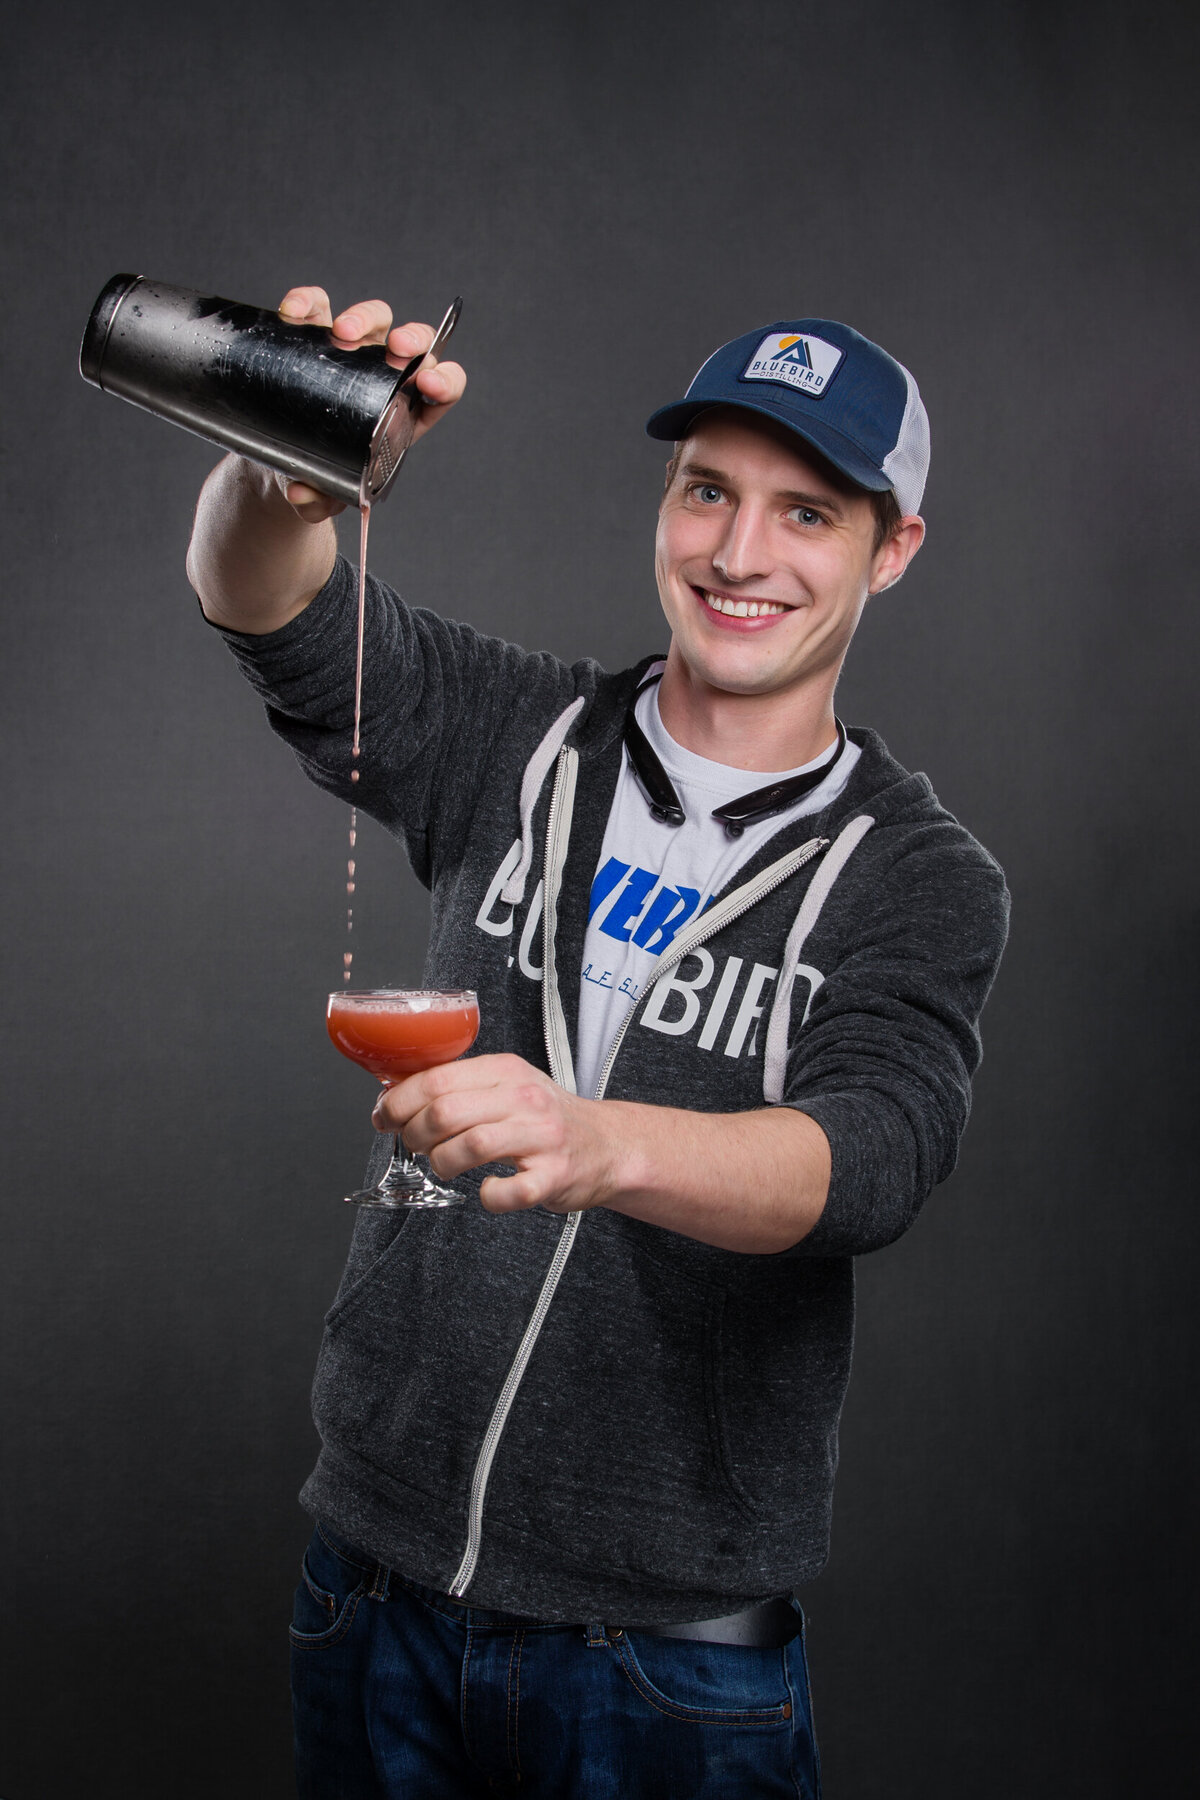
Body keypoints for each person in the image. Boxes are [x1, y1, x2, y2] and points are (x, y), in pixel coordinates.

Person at [187, 289, 1009, 1799]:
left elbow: (874, 1157)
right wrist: (276, 465)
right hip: (371, 1594)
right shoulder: (520, 735)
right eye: (709, 491)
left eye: (806, 514)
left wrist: (597, 1137)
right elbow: (275, 611)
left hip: (669, 1662)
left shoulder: (918, 873)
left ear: (891, 550)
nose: (739, 555)